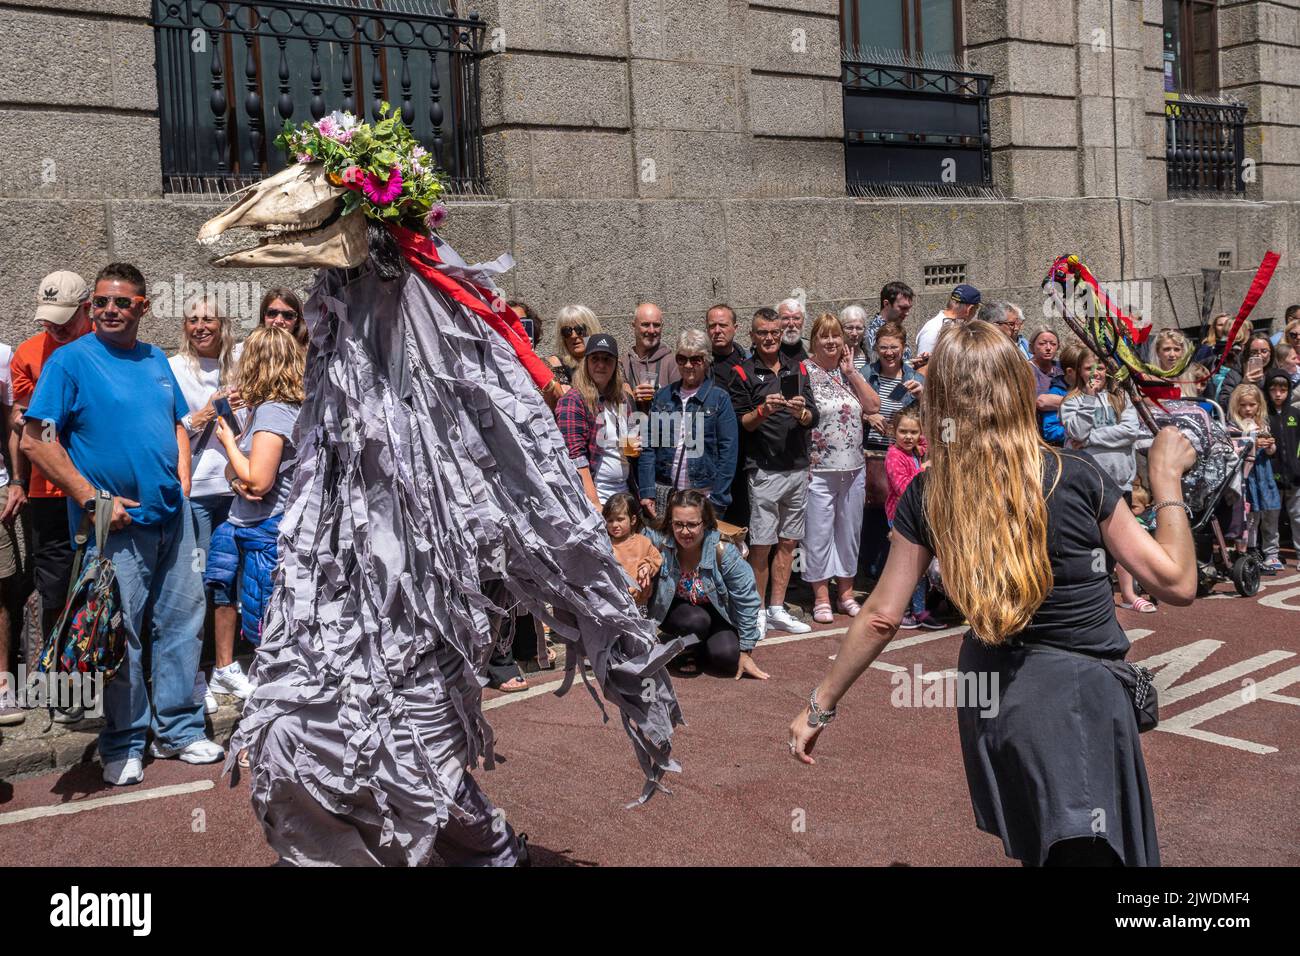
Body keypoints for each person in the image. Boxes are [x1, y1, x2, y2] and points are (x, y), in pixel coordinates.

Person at [789, 319, 1199, 867]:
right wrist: (1167, 478)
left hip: (993, 691)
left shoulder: (931, 489)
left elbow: (882, 617)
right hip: (1075, 695)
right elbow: (1176, 581)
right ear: (1017, 386)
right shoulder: (1074, 473)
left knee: (1046, 850)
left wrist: (820, 705)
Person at [22, 263, 222, 786]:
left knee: (181, 625)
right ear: (91, 308)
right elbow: (35, 440)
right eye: (101, 303)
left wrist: (180, 476)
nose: (110, 310)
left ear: (143, 307)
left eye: (122, 302)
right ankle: (125, 741)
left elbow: (177, 422)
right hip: (113, 527)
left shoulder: (155, 358)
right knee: (119, 635)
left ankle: (178, 729)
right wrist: (92, 499)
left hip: (171, 519)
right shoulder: (68, 362)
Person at [5, 271, 95, 722]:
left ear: (87, 308)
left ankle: (104, 680)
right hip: (46, 490)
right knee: (54, 589)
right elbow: (22, 426)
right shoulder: (27, 353)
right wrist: (18, 481)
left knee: (101, 586)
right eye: (49, 320)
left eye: (65, 319)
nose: (55, 328)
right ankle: (65, 688)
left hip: (98, 486)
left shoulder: (106, 347)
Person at [169, 295, 252, 708]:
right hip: (196, 492)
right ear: (183, 326)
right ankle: (194, 674)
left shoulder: (238, 362)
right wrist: (200, 415)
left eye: (210, 320)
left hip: (234, 490)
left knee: (225, 580)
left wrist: (239, 412)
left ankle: (224, 668)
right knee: (193, 582)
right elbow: (165, 428)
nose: (201, 326)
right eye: (193, 320)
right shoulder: (172, 368)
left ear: (224, 324)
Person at [211, 325, 304, 649]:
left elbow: (260, 481)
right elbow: (241, 474)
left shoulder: (272, 411)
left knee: (267, 626)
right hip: (263, 527)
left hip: (268, 532)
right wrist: (235, 476)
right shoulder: (272, 407)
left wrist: (228, 443)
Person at [727, 310, 818, 635]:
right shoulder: (743, 371)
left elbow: (814, 415)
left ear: (782, 335)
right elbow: (742, 423)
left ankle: (778, 608)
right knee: (762, 544)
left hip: (797, 465)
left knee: (788, 542)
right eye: (762, 333)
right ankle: (758, 610)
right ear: (752, 336)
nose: (769, 338)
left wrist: (802, 412)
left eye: (774, 333)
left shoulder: (799, 367)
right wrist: (764, 410)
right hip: (763, 469)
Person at [1061, 350, 1154, 610]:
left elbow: (1129, 432)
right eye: (1089, 368)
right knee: (1094, 542)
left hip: (1120, 480)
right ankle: (1098, 591)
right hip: (1089, 483)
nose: (1095, 374)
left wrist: (1091, 439)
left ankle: (1128, 593)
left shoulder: (1120, 397)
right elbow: (1076, 430)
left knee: (1123, 540)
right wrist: (1089, 400)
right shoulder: (1072, 401)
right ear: (1079, 371)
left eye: (1100, 368)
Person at [804, 313, 880, 623]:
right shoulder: (805, 371)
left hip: (854, 467)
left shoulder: (849, 372)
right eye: (825, 336)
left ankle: (845, 593)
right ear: (814, 341)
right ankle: (821, 595)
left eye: (836, 336)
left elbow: (874, 407)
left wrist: (852, 373)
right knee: (818, 533)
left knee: (849, 532)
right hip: (818, 468)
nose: (832, 341)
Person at [646, 489, 764, 679]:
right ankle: (685, 648)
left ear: (706, 522)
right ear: (670, 522)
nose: (685, 532)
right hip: (679, 613)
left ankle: (696, 645)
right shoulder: (657, 540)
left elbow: (747, 599)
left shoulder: (723, 551)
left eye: (692, 525)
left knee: (727, 658)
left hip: (717, 612)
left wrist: (746, 650)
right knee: (697, 620)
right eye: (678, 524)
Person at [638, 330, 737, 521]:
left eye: (696, 359)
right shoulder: (663, 396)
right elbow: (649, 446)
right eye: (682, 359)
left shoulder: (719, 399)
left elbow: (728, 454)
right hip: (665, 494)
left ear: (707, 360)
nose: (688, 365)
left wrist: (717, 500)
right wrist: (647, 491)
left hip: (704, 496)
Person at [861, 321, 924, 583]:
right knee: (873, 516)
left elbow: (926, 419)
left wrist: (923, 396)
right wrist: (867, 414)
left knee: (900, 512)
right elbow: (850, 408)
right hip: (870, 454)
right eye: (884, 347)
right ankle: (872, 574)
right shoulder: (866, 374)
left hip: (902, 455)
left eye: (894, 347)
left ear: (904, 348)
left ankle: (898, 574)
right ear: (876, 347)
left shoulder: (915, 378)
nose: (889, 352)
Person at [556, 333, 637, 507]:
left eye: (607, 359)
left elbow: (629, 447)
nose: (601, 365)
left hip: (624, 494)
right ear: (586, 363)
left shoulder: (621, 399)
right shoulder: (573, 400)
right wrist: (595, 504)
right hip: (596, 497)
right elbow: (575, 458)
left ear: (616, 365)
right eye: (595, 359)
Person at [884, 409, 938, 629]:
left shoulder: (916, 450)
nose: (908, 436)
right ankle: (902, 609)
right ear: (893, 432)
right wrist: (923, 470)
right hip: (899, 517)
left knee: (919, 566)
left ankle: (919, 609)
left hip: (917, 516)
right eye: (903, 431)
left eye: (913, 432)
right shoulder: (894, 456)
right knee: (904, 566)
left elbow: (929, 440)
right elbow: (902, 487)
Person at [0, 337, 25, 725]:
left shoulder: (2, 353)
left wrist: (17, 479)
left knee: (1, 590)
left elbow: (9, 422)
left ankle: (2, 685)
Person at [1228, 383, 1280, 568]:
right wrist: (1253, 443)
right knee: (1248, 516)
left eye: (1252, 405)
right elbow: (1233, 449)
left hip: (1263, 474)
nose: (1248, 409)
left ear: (1259, 405)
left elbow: (1271, 452)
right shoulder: (1233, 425)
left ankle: (1266, 552)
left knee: (1264, 514)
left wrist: (1269, 445)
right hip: (1245, 475)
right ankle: (1248, 551)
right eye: (1243, 405)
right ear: (1236, 406)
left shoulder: (1263, 423)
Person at [1264, 369, 1300, 569]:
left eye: (1283, 389)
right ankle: (1271, 554)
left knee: (1298, 516)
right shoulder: (1264, 415)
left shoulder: (1296, 414)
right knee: (1271, 517)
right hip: (1271, 477)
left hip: (1296, 476)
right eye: (1273, 389)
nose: (1278, 394)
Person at [604, 493, 661, 606]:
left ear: (633, 519)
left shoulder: (643, 542)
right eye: (610, 520)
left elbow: (656, 558)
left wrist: (647, 567)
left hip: (639, 603)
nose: (614, 524)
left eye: (620, 519)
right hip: (614, 603)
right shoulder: (605, 544)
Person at [623, 302, 679, 407]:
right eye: (645, 324)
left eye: (656, 325)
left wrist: (658, 398)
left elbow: (681, 404)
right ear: (634, 326)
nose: (652, 330)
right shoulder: (622, 363)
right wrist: (631, 398)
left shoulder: (673, 363)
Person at [914, 283, 981, 365]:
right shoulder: (933, 329)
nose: (975, 313)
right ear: (970, 309)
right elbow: (922, 365)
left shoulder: (955, 324)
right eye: (976, 308)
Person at [1027, 326, 1068, 445]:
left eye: (1053, 344)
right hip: (1036, 436)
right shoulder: (1025, 370)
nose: (1048, 348)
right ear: (1032, 346)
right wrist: (1077, 402)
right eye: (1042, 343)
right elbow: (1041, 402)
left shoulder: (1062, 368)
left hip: (1061, 433)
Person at [546, 304, 600, 387]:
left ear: (591, 330)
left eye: (580, 329)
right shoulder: (556, 363)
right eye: (567, 331)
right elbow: (564, 396)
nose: (573, 336)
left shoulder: (610, 361)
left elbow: (625, 395)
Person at [864, 281, 915, 359]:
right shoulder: (872, 332)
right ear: (886, 304)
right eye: (903, 308)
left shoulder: (897, 328)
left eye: (909, 308)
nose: (907, 313)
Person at [706, 303, 747, 384]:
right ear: (707, 330)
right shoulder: (700, 363)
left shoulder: (748, 360)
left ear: (735, 329)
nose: (717, 330)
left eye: (723, 325)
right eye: (712, 326)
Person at [838, 304, 870, 373]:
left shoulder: (871, 356)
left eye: (859, 328)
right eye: (849, 328)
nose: (854, 333)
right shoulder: (835, 356)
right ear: (841, 329)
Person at [776, 297, 808, 361]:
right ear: (776, 321)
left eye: (796, 318)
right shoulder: (767, 350)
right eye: (785, 318)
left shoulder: (814, 349)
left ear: (803, 321)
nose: (791, 324)